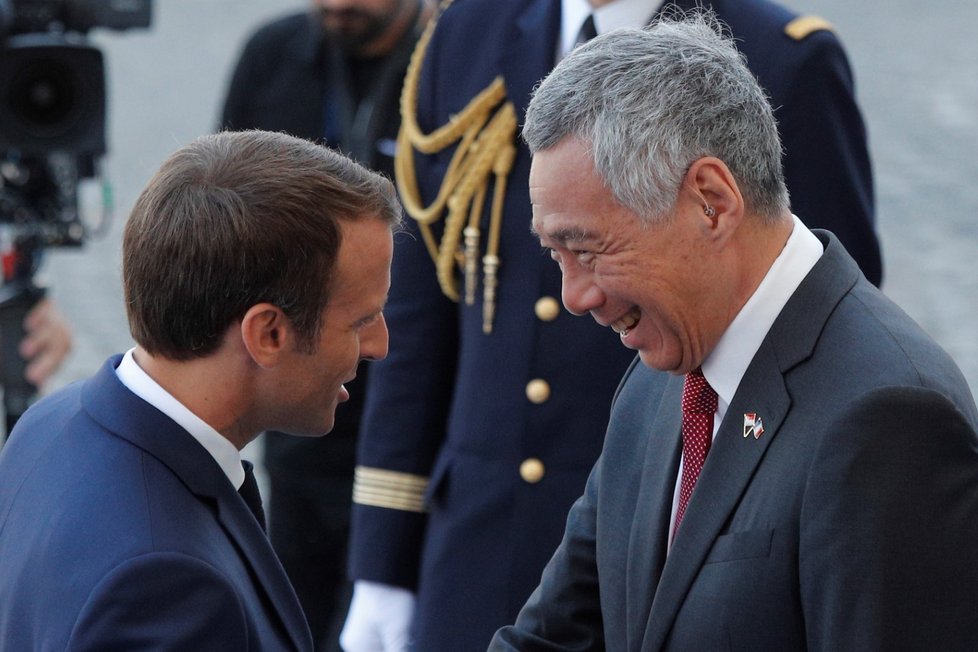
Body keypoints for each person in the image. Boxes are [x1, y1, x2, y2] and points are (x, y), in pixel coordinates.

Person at [344, 0, 883, 649]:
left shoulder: (781, 52)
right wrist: (384, 555)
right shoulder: (469, 29)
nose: (577, 295)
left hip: (670, 541)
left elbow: (814, 334)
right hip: (476, 538)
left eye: (591, 254)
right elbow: (421, 306)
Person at [488, 13, 978, 650]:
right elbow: (556, 637)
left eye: (588, 249)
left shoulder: (888, 418)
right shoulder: (659, 382)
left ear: (711, 201)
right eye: (557, 255)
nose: (575, 297)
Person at [0, 129, 401, 650]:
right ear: (268, 333)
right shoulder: (164, 586)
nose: (381, 344)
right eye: (362, 319)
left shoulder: (52, 423)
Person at [219, 3, 432, 648]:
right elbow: (219, 212)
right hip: (297, 426)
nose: (336, 4)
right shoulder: (273, 53)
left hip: (409, 418)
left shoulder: (449, 64)